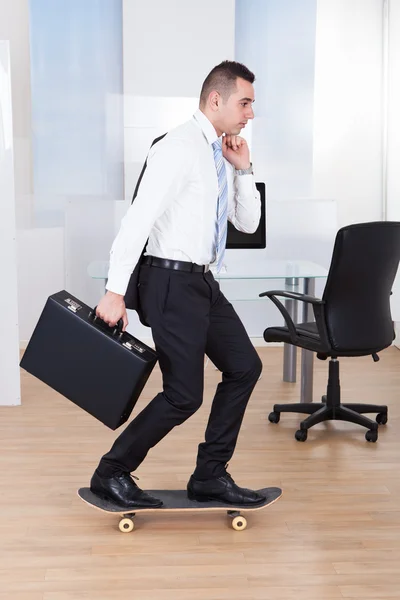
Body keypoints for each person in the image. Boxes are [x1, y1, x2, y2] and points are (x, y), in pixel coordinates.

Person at [90, 60, 265, 509]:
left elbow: (246, 221)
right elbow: (139, 218)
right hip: (169, 282)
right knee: (184, 395)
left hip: (204, 283)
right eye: (244, 102)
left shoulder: (219, 153)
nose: (250, 113)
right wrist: (115, 289)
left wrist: (242, 169)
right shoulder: (177, 147)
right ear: (215, 99)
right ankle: (112, 471)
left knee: (245, 366)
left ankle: (209, 475)